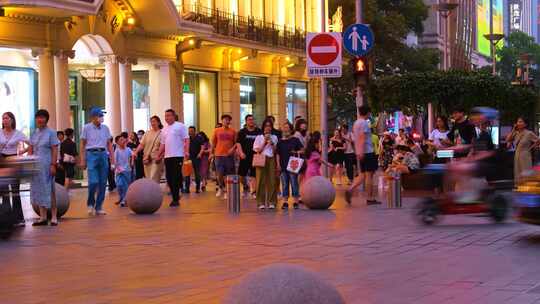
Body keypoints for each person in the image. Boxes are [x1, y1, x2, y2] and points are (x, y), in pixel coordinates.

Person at [80, 107, 115, 216]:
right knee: (93, 181)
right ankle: (90, 203)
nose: (101, 118)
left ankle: (99, 206)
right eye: (99, 116)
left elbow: (109, 144)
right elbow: (82, 144)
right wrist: (83, 159)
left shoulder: (105, 128)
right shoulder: (86, 128)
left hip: (103, 154)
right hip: (91, 154)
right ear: (93, 117)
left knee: (103, 183)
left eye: (102, 116)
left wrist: (112, 160)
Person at [28, 109, 60, 226]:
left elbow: (54, 149)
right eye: (38, 117)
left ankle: (54, 216)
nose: (40, 120)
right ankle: (43, 217)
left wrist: (53, 164)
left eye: (42, 117)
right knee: (38, 190)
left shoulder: (51, 132)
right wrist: (29, 162)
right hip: (35, 166)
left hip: (47, 164)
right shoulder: (34, 133)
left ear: (46, 119)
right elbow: (31, 148)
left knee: (50, 190)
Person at [345, 105, 381, 205]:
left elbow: (356, 138)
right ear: (368, 113)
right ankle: (369, 198)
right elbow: (362, 138)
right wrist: (361, 151)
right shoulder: (364, 123)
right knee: (369, 175)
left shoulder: (356, 123)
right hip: (367, 152)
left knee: (362, 175)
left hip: (360, 153)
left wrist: (358, 151)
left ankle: (350, 189)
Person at [156, 109, 189, 207]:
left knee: (175, 177)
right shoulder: (164, 130)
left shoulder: (180, 126)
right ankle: (177, 191)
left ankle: (175, 199)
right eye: (166, 116)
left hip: (178, 155)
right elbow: (163, 144)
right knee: (169, 178)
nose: (167, 118)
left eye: (169, 115)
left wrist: (186, 151)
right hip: (167, 156)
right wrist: (158, 155)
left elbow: (186, 140)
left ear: (174, 116)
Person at [0, 112, 28, 226]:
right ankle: (7, 218)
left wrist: (22, 152)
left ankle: (19, 218)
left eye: (6, 118)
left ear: (12, 120)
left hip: (14, 161)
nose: (4, 120)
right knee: (4, 190)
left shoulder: (18, 133)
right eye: (3, 118)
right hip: (1, 160)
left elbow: (31, 143)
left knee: (15, 190)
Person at [276, 122, 303, 209]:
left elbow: (303, 150)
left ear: (291, 130)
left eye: (287, 128)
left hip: (293, 165)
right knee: (284, 184)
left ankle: (295, 201)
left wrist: (296, 152)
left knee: (294, 183)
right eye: (284, 128)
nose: (285, 129)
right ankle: (285, 201)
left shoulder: (295, 140)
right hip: (283, 165)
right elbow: (277, 154)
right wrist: (278, 164)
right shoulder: (280, 141)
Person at [253, 118, 279, 210]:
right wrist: (264, 141)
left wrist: (271, 143)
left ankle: (272, 202)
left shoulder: (275, 137)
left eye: (269, 126)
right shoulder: (259, 137)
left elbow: (276, 151)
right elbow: (258, 151)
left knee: (272, 180)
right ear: (263, 127)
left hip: (271, 158)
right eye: (266, 126)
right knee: (261, 181)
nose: (268, 128)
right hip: (261, 158)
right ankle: (261, 202)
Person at [506, 117, 540, 183]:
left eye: (521, 122)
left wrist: (531, 147)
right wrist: (513, 129)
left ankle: (526, 190)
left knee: (525, 172)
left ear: (525, 124)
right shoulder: (515, 133)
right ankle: (519, 188)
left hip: (525, 154)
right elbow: (507, 140)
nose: (519, 123)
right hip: (517, 155)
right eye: (518, 122)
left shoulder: (529, 133)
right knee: (517, 173)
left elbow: (538, 140)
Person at [236, 114, 262, 198]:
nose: (251, 121)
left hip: (255, 156)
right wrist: (240, 153)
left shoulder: (259, 131)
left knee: (254, 175)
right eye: (249, 120)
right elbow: (238, 143)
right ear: (246, 121)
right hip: (244, 156)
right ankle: (245, 186)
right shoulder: (242, 132)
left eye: (252, 119)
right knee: (241, 175)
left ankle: (254, 191)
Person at [132, 116, 164, 183]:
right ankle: (151, 192)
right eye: (151, 121)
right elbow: (142, 144)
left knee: (154, 178)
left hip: (157, 159)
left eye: (154, 121)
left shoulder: (162, 133)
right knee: (149, 178)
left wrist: (160, 156)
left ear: (158, 122)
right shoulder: (147, 133)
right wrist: (136, 152)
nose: (153, 123)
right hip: (147, 159)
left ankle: (154, 193)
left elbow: (165, 146)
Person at [212, 114, 237, 199]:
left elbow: (236, 143)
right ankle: (220, 187)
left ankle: (227, 190)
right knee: (219, 173)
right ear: (222, 121)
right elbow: (213, 143)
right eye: (225, 119)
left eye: (228, 120)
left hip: (229, 156)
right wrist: (212, 154)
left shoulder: (233, 131)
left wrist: (233, 151)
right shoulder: (216, 130)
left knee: (228, 174)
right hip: (218, 155)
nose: (226, 121)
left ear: (230, 121)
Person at [184, 126, 205, 193]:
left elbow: (202, 147)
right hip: (188, 158)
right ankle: (187, 189)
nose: (190, 132)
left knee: (197, 173)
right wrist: (185, 154)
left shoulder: (199, 138)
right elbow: (184, 146)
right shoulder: (187, 138)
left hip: (197, 158)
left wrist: (200, 154)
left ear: (194, 131)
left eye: (191, 131)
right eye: (189, 131)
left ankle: (197, 188)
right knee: (187, 174)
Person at [114, 135, 133, 207]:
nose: (123, 140)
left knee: (126, 186)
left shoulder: (128, 149)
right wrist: (117, 168)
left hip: (127, 170)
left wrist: (132, 161)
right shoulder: (117, 151)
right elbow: (115, 161)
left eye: (123, 139)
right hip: (119, 171)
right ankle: (121, 197)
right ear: (117, 142)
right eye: (120, 140)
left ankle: (124, 200)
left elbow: (133, 155)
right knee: (119, 185)